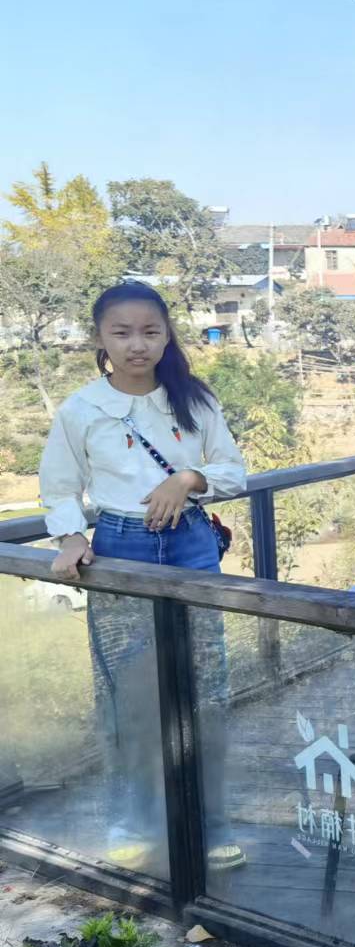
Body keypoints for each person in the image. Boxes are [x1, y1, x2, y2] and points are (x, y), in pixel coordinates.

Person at [40, 281, 248, 874]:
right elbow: (59, 486)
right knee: (127, 692)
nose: (138, 344)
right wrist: (72, 537)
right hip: (120, 546)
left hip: (190, 544)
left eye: (151, 332)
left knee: (205, 687)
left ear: (166, 336)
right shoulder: (81, 409)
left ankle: (212, 824)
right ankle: (131, 821)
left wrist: (188, 479)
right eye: (122, 332)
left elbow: (233, 471)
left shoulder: (194, 400)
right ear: (100, 338)